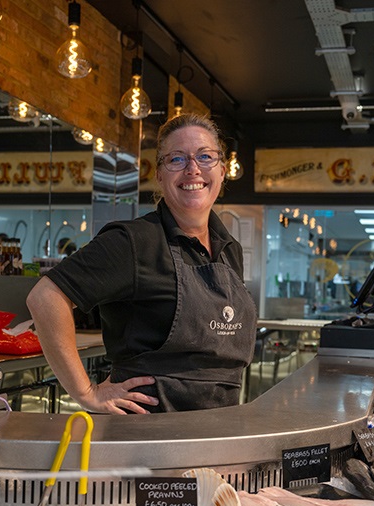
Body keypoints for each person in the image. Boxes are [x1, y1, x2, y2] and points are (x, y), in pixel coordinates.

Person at [27, 113, 257, 414]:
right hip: (147, 437)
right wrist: (86, 392)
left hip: (217, 429)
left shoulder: (229, 250)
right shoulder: (134, 241)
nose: (193, 169)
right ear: (160, 175)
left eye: (205, 157)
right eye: (177, 159)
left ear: (222, 170)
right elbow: (45, 297)